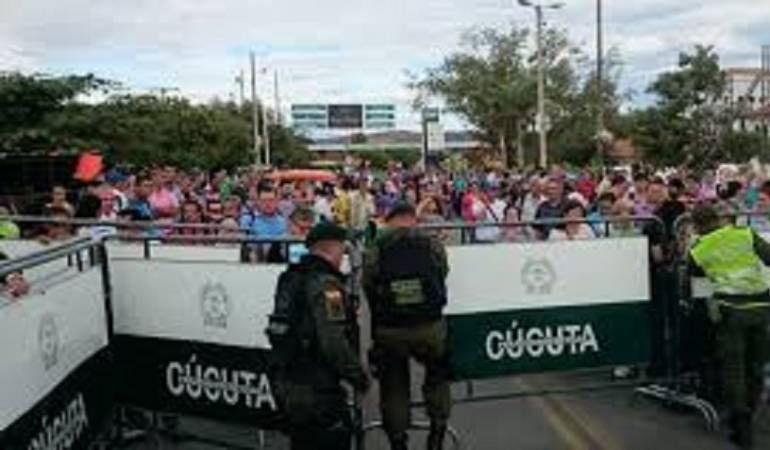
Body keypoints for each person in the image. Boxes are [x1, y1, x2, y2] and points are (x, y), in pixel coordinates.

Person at [267, 222, 369, 450]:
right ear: (334, 247)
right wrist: (357, 375)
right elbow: (332, 340)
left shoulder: (290, 278)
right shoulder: (327, 286)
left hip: (287, 381)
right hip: (317, 388)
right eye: (343, 247)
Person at [363, 202, 451, 450]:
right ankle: (437, 433)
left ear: (390, 220)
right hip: (429, 325)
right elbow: (443, 271)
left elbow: (368, 283)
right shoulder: (431, 243)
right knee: (437, 377)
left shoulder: (377, 245)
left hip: (390, 328)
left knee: (393, 387)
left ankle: (398, 441)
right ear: (413, 218)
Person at [688, 203, 770, 449]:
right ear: (718, 219)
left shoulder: (699, 249)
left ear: (696, 226)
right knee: (756, 364)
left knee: (734, 368)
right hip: (761, 306)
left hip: (730, 311)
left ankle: (741, 426)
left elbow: (694, 276)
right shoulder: (744, 233)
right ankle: (751, 413)